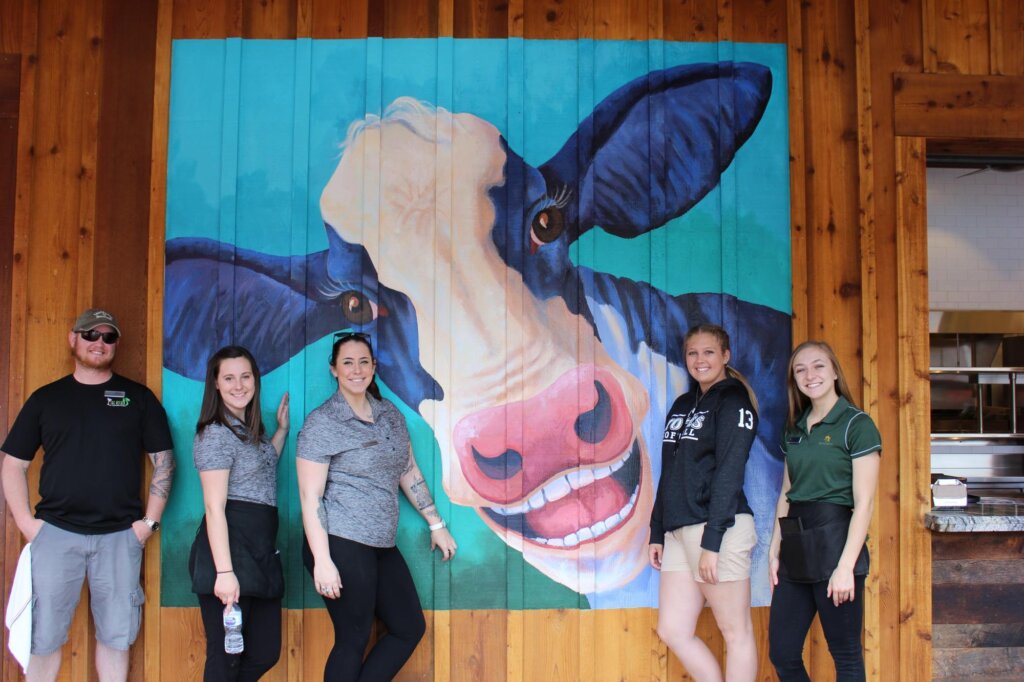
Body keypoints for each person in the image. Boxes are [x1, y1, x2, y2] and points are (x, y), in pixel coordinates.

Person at [0, 308, 175, 682]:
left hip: (119, 538)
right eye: (91, 334)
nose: (100, 343)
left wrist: (148, 523)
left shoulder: (137, 398)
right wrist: (28, 526)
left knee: (117, 638)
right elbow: (13, 464)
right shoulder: (46, 399)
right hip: (55, 535)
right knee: (42, 638)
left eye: (108, 337)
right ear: (73, 339)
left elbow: (164, 463)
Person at [296, 331, 458, 681]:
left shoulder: (390, 415)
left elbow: (407, 469)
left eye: (363, 362)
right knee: (352, 638)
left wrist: (436, 523)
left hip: (381, 544)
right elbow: (311, 498)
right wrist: (322, 560)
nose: (357, 370)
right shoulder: (322, 423)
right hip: (339, 541)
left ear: (373, 367)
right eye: (347, 363)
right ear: (334, 370)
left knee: (408, 628)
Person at [649, 324, 760, 682]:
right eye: (693, 353)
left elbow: (730, 472)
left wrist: (712, 541)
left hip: (719, 529)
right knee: (673, 630)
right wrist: (656, 530)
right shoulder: (683, 404)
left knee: (736, 632)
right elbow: (670, 471)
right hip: (679, 531)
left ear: (725, 356)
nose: (700, 360)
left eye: (709, 352)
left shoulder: (734, 401)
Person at [767, 341, 881, 682]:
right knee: (783, 653)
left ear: (833, 372)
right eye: (800, 370)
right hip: (795, 548)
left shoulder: (856, 425)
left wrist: (846, 566)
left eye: (818, 366)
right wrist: (774, 551)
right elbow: (786, 493)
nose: (809, 375)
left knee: (845, 655)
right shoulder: (794, 428)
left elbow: (865, 503)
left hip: (836, 546)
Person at [188, 346, 289, 680]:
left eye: (245, 376)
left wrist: (281, 432)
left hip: (259, 549)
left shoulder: (251, 434)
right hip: (229, 552)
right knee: (226, 657)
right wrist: (225, 572)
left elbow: (262, 465)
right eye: (228, 378)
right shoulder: (216, 433)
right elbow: (214, 507)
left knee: (264, 652)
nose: (238, 385)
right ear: (216, 384)